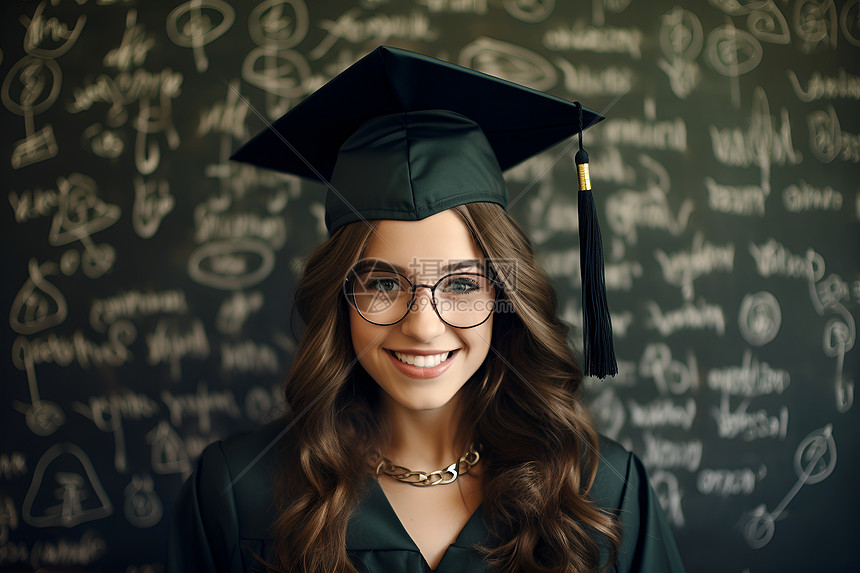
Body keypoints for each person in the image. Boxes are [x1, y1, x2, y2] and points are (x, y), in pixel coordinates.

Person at [166, 46, 685, 573]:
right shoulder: (237, 492)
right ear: (339, 299)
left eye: (460, 284)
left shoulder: (602, 492)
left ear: (504, 298)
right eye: (383, 283)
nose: (423, 326)